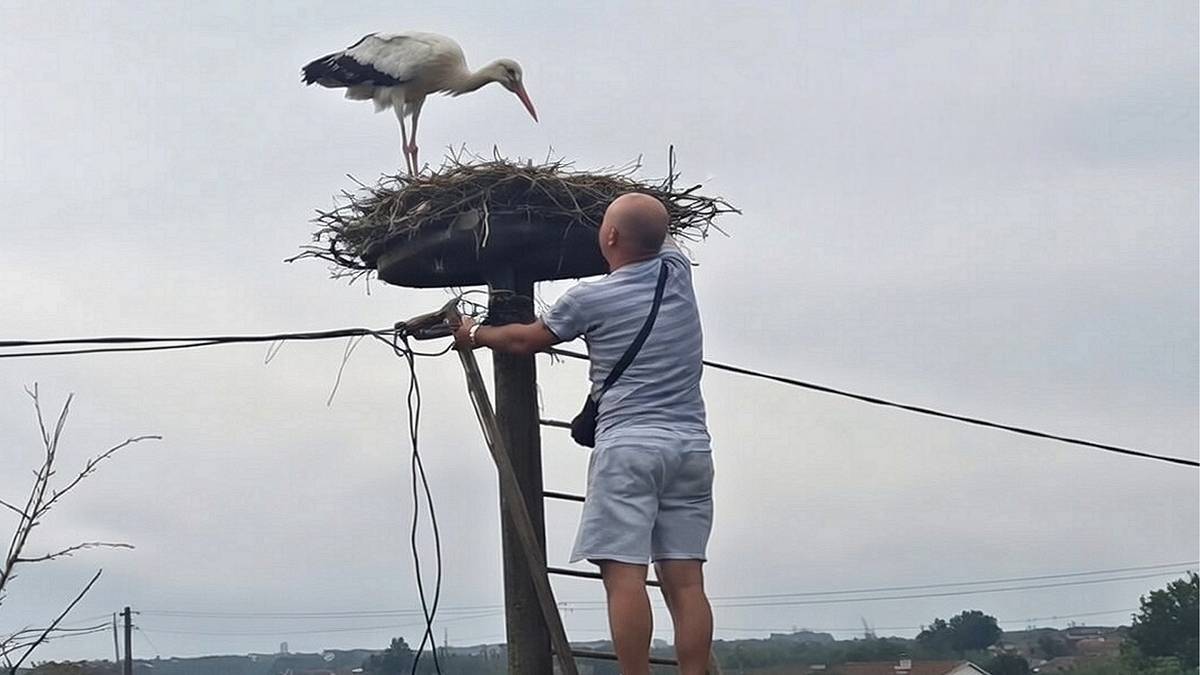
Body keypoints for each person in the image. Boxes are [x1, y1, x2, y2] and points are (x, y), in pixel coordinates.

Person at [454, 192, 714, 675]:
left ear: (610, 237)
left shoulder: (589, 298)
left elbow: (524, 339)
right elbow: (657, 226)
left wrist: (474, 334)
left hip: (630, 448)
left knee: (624, 578)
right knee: (686, 583)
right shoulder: (676, 274)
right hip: (692, 448)